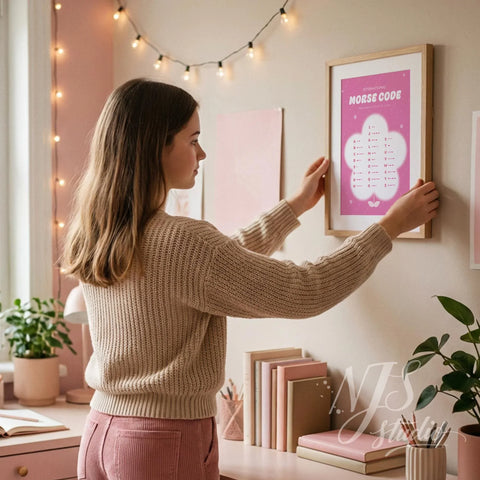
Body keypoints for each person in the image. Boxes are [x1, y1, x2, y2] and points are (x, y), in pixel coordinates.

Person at [63, 78, 439, 480]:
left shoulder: (100, 230)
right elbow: (305, 290)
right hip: (160, 441)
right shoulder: (182, 242)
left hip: (101, 431)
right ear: (158, 145)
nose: (201, 153)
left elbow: (218, 263)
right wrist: (389, 227)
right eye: (193, 140)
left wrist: (294, 207)